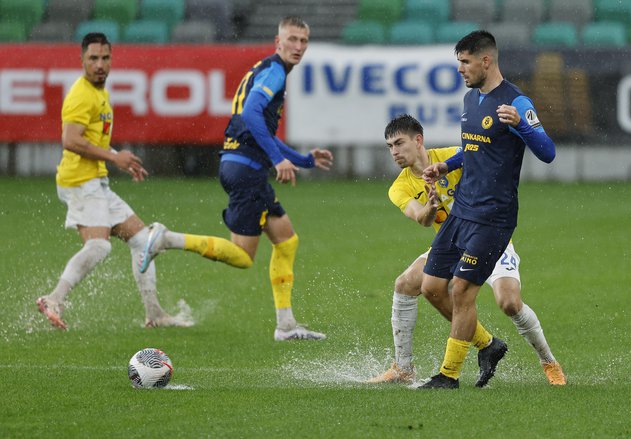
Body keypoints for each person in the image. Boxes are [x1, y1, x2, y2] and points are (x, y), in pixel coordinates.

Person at [141, 17, 333, 341]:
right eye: (293, 39)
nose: (299, 46)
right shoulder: (273, 72)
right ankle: (166, 239)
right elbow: (250, 115)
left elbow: (261, 129)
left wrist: (303, 159)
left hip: (242, 165)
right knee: (243, 256)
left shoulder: (266, 70)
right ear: (278, 42)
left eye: (304, 40)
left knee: (286, 240)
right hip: (247, 170)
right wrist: (278, 159)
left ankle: (286, 325)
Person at [35, 33, 242, 330]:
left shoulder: (100, 93)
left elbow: (91, 139)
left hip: (95, 180)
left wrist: (119, 158)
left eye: (105, 58)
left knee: (143, 242)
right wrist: (113, 157)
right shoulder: (81, 95)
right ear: (82, 60)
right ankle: (54, 299)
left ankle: (154, 314)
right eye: (93, 58)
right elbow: (70, 140)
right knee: (99, 247)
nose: (100, 64)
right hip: (79, 182)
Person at [367, 114, 565, 386]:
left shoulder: (451, 156)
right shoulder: (399, 186)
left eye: (399, 143)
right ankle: (405, 367)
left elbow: (481, 155)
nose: (394, 152)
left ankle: (549, 362)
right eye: (389, 146)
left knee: (509, 303)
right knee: (406, 284)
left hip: (489, 237)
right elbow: (422, 219)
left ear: (419, 140)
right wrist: (430, 208)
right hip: (452, 244)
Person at [417, 31, 558, 389]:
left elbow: (548, 152)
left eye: (465, 62)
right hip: (462, 210)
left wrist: (522, 125)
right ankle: (489, 345)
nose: (460, 70)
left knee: (462, 289)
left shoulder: (517, 101)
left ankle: (448, 376)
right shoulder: (470, 99)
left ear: (486, 61)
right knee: (432, 287)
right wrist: (446, 166)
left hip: (493, 217)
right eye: (458, 62)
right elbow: (474, 149)